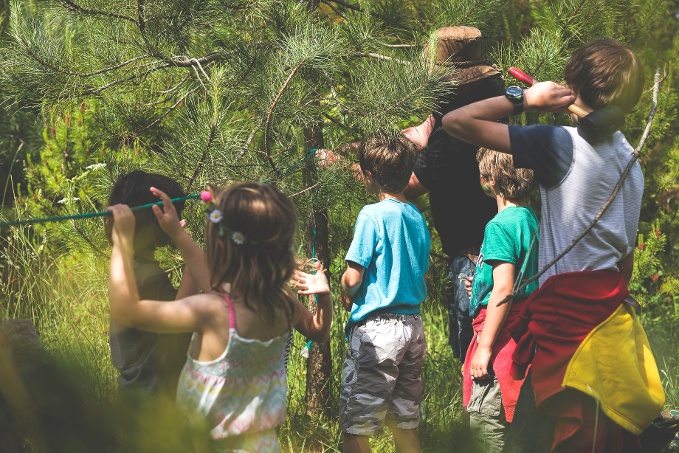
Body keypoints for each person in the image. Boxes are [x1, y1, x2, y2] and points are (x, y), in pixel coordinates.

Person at [442, 38, 665, 452]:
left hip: (565, 338)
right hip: (610, 330)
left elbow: (456, 122)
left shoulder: (560, 143)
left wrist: (524, 98)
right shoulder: (632, 163)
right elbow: (625, 262)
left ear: (573, 85)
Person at [107, 182, 333, 452]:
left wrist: (121, 241)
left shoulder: (213, 311)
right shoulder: (281, 302)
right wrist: (179, 236)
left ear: (221, 247)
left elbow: (126, 310)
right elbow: (318, 330)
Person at [402, 26, 502, 362]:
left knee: (470, 345)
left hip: (473, 256)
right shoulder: (492, 113)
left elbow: (408, 185)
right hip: (491, 245)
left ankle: (475, 413)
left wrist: (415, 143)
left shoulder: (449, 137)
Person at [340, 135, 430, 453]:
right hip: (414, 327)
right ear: (408, 174)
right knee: (405, 423)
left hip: (377, 329)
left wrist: (344, 289)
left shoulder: (372, 215)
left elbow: (353, 277)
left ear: (367, 175)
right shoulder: (417, 218)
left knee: (356, 427)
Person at [462, 148, 538, 452]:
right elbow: (507, 279)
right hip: (523, 335)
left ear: (490, 179)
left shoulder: (499, 225)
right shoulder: (529, 218)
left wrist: (485, 348)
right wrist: (480, 286)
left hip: (501, 338)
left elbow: (505, 289)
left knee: (485, 424)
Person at [105, 171, 197, 398]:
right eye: (176, 213)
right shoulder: (147, 276)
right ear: (155, 218)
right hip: (154, 400)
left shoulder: (130, 266)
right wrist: (191, 258)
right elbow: (180, 324)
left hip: (133, 396)